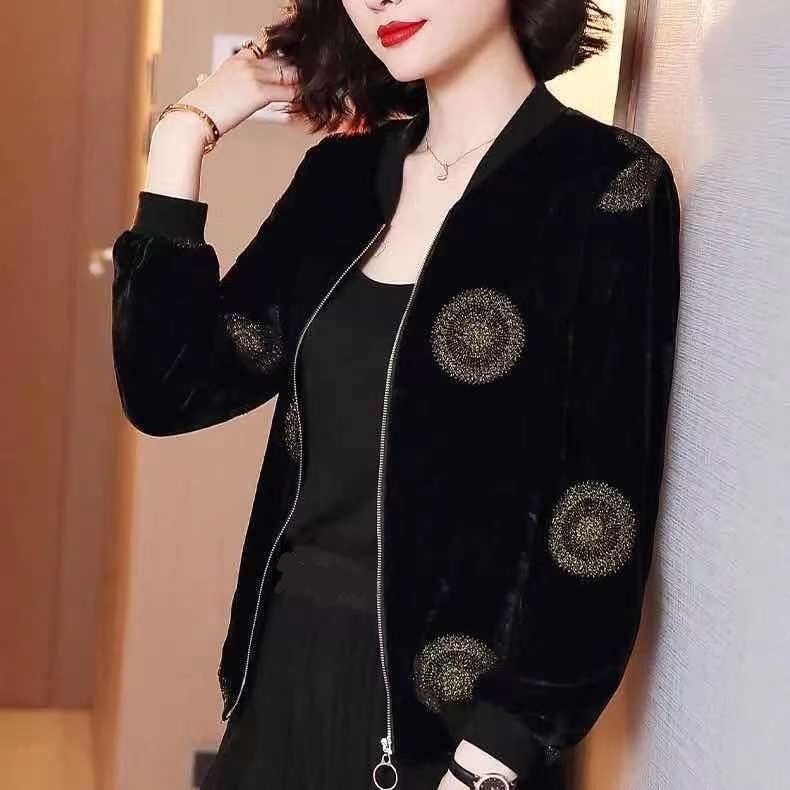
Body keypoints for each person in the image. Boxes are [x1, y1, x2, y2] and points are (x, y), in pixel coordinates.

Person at [110, 0, 681, 788]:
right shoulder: (341, 180)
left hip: (453, 735)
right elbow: (171, 388)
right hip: (281, 678)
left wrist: (492, 758)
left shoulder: (604, 184)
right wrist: (184, 133)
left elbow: (600, 515)